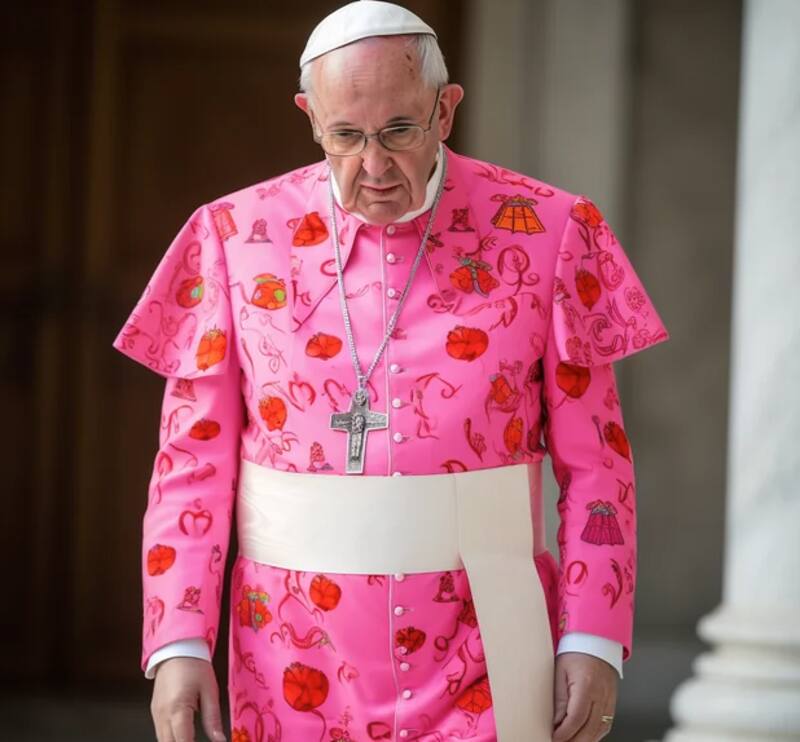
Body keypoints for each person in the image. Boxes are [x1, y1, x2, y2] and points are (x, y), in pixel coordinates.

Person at [112, 2, 669, 740]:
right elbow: (192, 462)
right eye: (346, 135)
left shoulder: (553, 231)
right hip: (290, 652)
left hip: (489, 646)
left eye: (399, 131)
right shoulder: (231, 236)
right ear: (311, 118)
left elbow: (598, 465)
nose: (373, 166)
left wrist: (593, 635)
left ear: (446, 110)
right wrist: (179, 642)